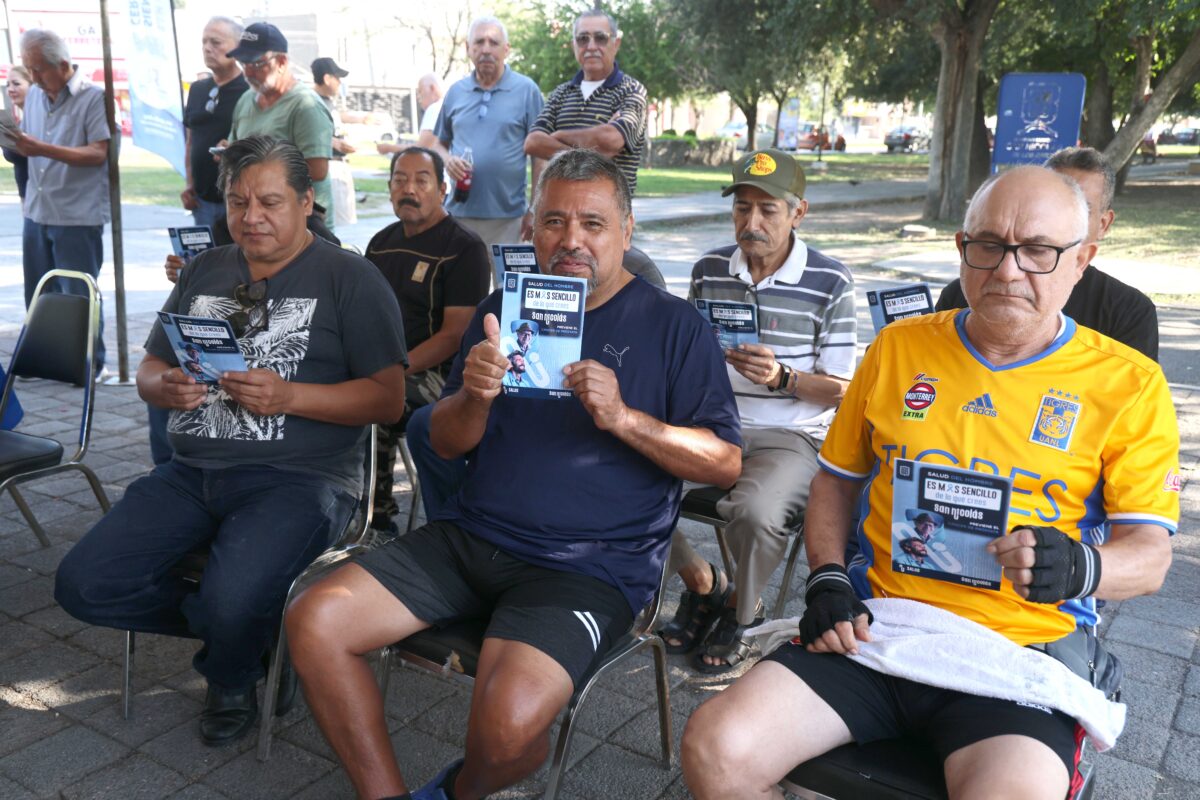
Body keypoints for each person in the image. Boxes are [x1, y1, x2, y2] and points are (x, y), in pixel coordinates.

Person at [681, 165, 1179, 799]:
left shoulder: (1129, 385)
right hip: (877, 627)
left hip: (1019, 654)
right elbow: (835, 481)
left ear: (1082, 260)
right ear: (961, 250)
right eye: (989, 245)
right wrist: (828, 576)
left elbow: (1151, 555)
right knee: (714, 748)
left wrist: (1081, 567)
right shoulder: (897, 350)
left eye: (1038, 251)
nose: (1007, 270)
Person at [284, 148, 741, 800]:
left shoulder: (675, 328)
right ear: (530, 228)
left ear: (626, 230)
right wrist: (472, 396)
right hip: (471, 538)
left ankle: (456, 793)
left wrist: (624, 419)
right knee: (314, 620)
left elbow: (725, 461)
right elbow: (442, 442)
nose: (571, 240)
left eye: (592, 223)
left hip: (589, 568)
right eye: (554, 222)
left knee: (507, 732)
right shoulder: (506, 308)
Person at [54, 135, 408, 747]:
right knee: (84, 584)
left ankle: (232, 670)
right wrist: (164, 388)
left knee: (232, 597)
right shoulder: (206, 268)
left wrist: (291, 397)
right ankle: (257, 631)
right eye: (238, 201)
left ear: (307, 202)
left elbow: (388, 398)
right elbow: (147, 372)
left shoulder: (351, 277)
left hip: (301, 478)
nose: (251, 218)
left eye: (270, 202)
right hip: (191, 473)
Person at [660, 148, 856, 673]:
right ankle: (702, 581)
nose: (752, 223)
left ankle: (744, 614)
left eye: (768, 210)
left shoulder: (831, 281)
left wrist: (783, 377)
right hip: (711, 422)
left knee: (756, 513)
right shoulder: (709, 269)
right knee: (616, 477)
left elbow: (842, 389)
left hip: (790, 433)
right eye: (742, 208)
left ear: (799, 212)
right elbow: (685, 353)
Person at [364, 146, 490, 537]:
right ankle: (334, 502)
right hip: (381, 364)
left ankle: (376, 522)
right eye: (400, 180)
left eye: (421, 180)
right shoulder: (380, 244)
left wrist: (394, 370)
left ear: (442, 189)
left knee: (373, 404)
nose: (409, 189)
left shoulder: (464, 248)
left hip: (439, 376)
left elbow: (454, 336)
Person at [936, 146, 1159, 361]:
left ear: (1103, 224)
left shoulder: (1128, 310)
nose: (1008, 272)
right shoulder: (963, 294)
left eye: (1038, 250)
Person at [13, 28, 113, 376]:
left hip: (77, 213)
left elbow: (98, 153)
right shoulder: (37, 96)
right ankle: (42, 358)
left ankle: (88, 363)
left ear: (64, 64)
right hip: (37, 210)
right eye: (29, 69)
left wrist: (42, 149)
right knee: (39, 290)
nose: (34, 78)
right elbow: (28, 144)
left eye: (39, 69)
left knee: (78, 294)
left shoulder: (94, 97)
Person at [432, 15, 544, 271]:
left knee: (508, 294)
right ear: (468, 49)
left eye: (493, 42)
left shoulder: (527, 91)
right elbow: (438, 144)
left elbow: (541, 157)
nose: (485, 48)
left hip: (510, 219)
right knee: (464, 293)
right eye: (479, 42)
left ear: (506, 49)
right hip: (460, 215)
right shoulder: (456, 92)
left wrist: (534, 209)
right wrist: (448, 160)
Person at [524, 9, 648, 195]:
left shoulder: (631, 91)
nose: (591, 46)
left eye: (600, 38)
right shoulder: (561, 94)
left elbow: (611, 139)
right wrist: (594, 152)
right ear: (574, 44)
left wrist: (557, 135)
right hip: (562, 209)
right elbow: (533, 143)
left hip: (609, 214)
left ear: (616, 43)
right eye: (583, 38)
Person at [226, 23, 336, 230]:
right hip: (255, 220)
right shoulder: (246, 100)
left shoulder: (305, 105)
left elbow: (317, 170)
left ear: (282, 62)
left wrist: (262, 170)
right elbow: (235, 146)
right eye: (243, 63)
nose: (248, 72)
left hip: (300, 226)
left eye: (256, 64)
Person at [181, 17, 249, 228]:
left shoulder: (249, 91)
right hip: (202, 200)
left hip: (239, 200)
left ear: (238, 47)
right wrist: (190, 184)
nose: (207, 48)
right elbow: (191, 141)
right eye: (204, 42)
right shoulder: (198, 89)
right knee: (204, 260)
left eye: (216, 42)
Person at [311, 56, 357, 228]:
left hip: (339, 165)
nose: (339, 83)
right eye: (337, 78)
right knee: (331, 227)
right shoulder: (311, 102)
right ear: (327, 78)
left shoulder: (329, 102)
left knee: (342, 225)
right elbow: (310, 134)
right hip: (328, 167)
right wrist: (335, 144)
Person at [377, 72, 443, 155]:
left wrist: (389, 148)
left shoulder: (435, 109)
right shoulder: (448, 106)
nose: (418, 96)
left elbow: (422, 147)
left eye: (420, 91)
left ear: (433, 88)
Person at [2, 65, 33, 199]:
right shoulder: (22, 121)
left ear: (32, 86)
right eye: (8, 85)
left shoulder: (38, 120)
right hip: (26, 198)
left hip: (40, 201)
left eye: (16, 84)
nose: (10, 89)